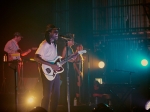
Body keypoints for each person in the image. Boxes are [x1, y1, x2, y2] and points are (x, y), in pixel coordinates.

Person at [34, 24, 60, 112]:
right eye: (55, 31)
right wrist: (51, 65)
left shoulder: (53, 44)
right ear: (49, 33)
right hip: (46, 70)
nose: (57, 33)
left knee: (56, 94)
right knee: (47, 95)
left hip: (54, 72)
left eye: (57, 31)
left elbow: (54, 59)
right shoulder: (44, 44)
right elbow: (36, 58)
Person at [60, 33, 76, 105]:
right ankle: (64, 102)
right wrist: (70, 59)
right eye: (72, 40)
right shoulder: (66, 48)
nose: (73, 42)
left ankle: (70, 101)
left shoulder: (70, 49)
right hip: (66, 68)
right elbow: (62, 58)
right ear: (68, 41)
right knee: (66, 84)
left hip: (70, 68)